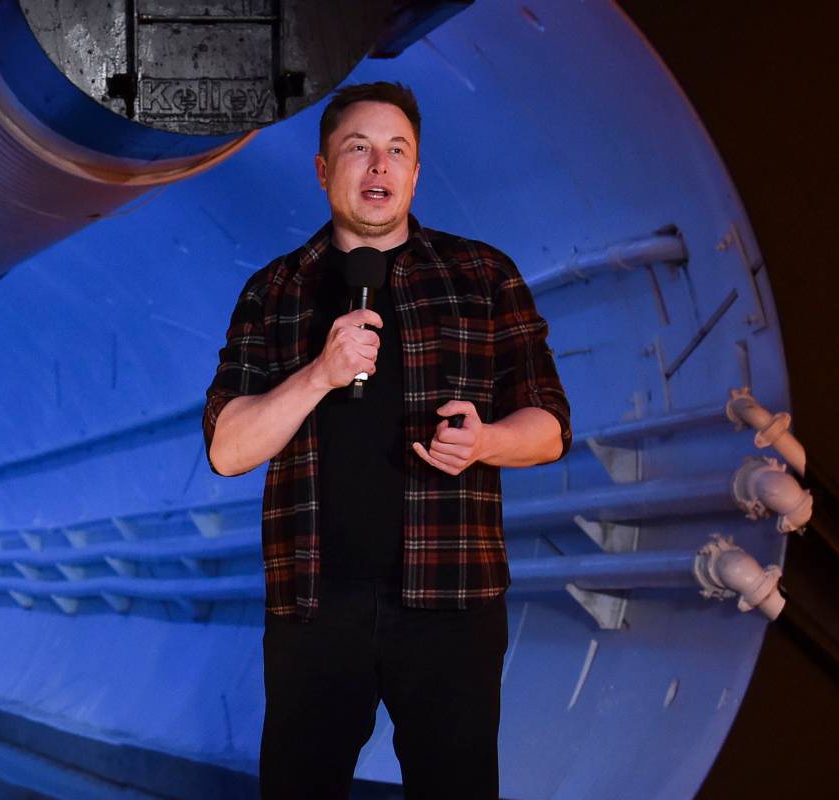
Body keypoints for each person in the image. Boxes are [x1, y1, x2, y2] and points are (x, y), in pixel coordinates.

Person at [202, 82, 572, 799]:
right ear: (321, 169)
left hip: (452, 604)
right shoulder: (273, 292)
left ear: (416, 171)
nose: (378, 168)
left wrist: (487, 441)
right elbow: (227, 449)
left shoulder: (482, 276)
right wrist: (319, 373)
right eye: (358, 150)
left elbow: (551, 425)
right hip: (314, 608)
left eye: (396, 151)